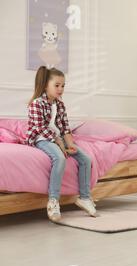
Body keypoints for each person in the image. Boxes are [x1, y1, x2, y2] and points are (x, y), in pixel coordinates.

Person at [26, 66, 98, 222]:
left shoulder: (60, 105)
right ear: (46, 85)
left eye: (63, 86)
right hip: (41, 138)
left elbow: (65, 128)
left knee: (85, 159)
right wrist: (59, 142)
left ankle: (85, 198)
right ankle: (53, 201)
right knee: (60, 158)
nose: (60, 89)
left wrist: (70, 144)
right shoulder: (36, 104)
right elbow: (40, 129)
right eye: (57, 85)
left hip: (58, 138)